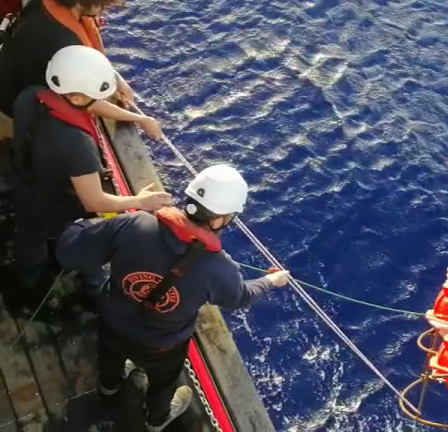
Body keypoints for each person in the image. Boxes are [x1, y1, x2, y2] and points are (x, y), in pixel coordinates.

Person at [55, 164, 291, 431]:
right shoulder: (219, 269)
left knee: (110, 353)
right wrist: (271, 280)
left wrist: (82, 225)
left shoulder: (135, 223)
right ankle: (156, 421)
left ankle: (109, 387)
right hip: (161, 345)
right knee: (164, 382)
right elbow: (240, 297)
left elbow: (70, 252)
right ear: (218, 220)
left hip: (112, 322)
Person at [6, 44, 170, 309]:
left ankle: (27, 277)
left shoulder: (31, 96)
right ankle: (89, 289)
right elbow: (95, 202)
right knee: (81, 246)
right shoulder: (78, 144)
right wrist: (140, 201)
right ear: (78, 97)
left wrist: (138, 118)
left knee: (28, 235)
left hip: (25, 184)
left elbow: (85, 105)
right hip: (57, 208)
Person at [0, 0, 162, 140]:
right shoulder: (64, 44)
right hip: (13, 110)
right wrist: (141, 119)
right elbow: (86, 102)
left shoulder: (43, 7)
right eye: (103, 5)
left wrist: (119, 81)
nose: (106, 9)